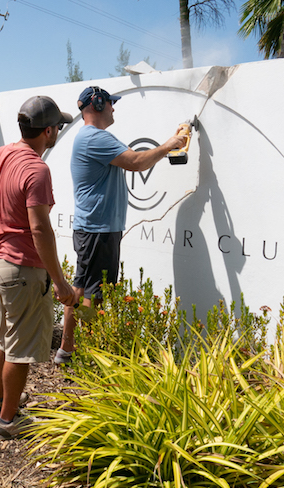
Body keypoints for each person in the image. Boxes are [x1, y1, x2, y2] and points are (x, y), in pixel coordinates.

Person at [55, 86, 187, 364]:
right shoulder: (95, 138)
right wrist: (171, 144)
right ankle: (88, 355)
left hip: (92, 228)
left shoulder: (92, 137)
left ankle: (67, 351)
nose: (114, 108)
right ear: (99, 104)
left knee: (81, 290)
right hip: (98, 230)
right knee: (94, 295)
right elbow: (137, 162)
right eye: (111, 103)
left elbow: (130, 158)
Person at [0, 95, 76, 439]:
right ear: (48, 131)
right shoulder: (37, 168)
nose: (59, 131)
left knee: (7, 334)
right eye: (58, 126)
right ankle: (8, 420)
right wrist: (60, 282)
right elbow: (39, 229)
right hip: (21, 271)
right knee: (19, 348)